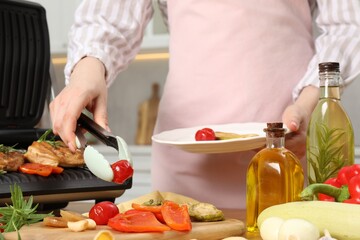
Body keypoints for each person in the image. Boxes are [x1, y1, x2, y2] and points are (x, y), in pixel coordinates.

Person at [50, 0, 360, 208]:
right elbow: (107, 17)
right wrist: (86, 73)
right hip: (183, 166)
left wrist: (309, 105)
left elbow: (349, 23)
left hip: (288, 160)